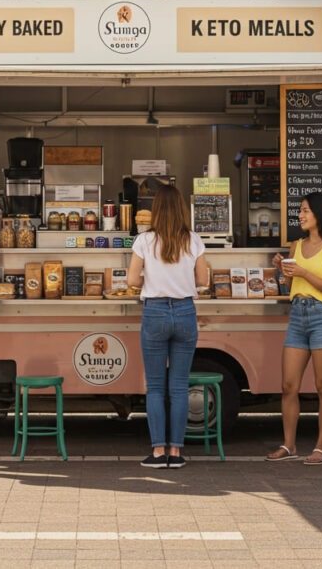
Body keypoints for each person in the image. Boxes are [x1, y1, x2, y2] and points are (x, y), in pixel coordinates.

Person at [127, 185, 208, 469]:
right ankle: (176, 452)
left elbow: (132, 281)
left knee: (156, 388)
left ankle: (158, 453)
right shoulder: (194, 240)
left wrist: (152, 277)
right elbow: (202, 279)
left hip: (155, 313)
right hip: (186, 311)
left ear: (156, 210)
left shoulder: (144, 241)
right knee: (179, 387)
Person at [266, 192, 322, 465]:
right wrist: (283, 270)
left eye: (305, 211)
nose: (299, 215)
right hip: (297, 315)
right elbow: (292, 288)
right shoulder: (296, 246)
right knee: (288, 385)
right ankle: (288, 445)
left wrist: (303, 273)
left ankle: (321, 447)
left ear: (319, 214)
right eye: (300, 211)